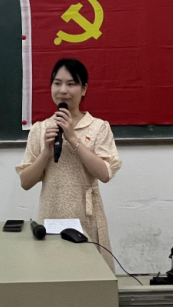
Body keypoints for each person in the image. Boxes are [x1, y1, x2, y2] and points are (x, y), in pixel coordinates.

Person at [15, 58, 122, 270]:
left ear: (84, 89)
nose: (63, 90)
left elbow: (105, 174)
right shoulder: (40, 129)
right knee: (54, 275)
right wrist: (46, 152)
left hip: (86, 218)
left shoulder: (99, 127)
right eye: (57, 83)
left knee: (90, 275)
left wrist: (73, 138)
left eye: (71, 84)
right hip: (51, 215)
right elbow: (25, 182)